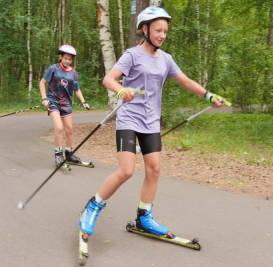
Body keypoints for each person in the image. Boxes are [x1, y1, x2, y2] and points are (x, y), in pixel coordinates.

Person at [79, 6, 228, 237]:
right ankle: (92, 207)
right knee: (126, 170)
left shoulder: (166, 59)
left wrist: (208, 95)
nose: (162, 35)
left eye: (165, 31)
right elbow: (108, 79)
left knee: (154, 169)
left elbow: (185, 80)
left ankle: (143, 217)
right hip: (129, 119)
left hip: (151, 122)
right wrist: (121, 90)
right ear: (145, 29)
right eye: (158, 30)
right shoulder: (131, 55)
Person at [39, 44, 90, 167]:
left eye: (70, 59)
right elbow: (42, 82)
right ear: (60, 57)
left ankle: (69, 154)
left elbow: (77, 89)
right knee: (59, 128)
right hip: (53, 102)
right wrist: (44, 98)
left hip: (66, 104)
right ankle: (58, 156)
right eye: (65, 58)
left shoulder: (73, 73)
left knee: (69, 130)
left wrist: (83, 102)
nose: (68, 61)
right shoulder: (53, 69)